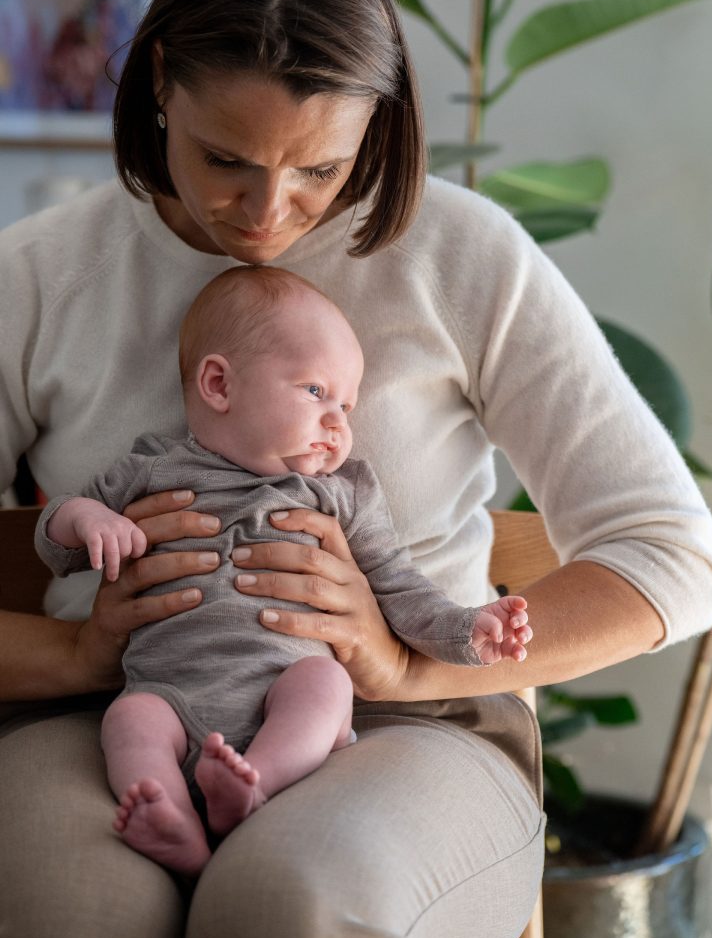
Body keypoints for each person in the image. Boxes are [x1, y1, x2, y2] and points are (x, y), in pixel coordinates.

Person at [0, 0, 712, 938]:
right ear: (158, 80)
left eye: (320, 171)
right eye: (225, 161)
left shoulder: (464, 256)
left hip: (411, 729)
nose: (265, 215)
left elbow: (673, 555)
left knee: (288, 906)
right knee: (76, 914)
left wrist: (405, 664)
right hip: (107, 715)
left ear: (376, 122)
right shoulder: (41, 274)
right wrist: (73, 663)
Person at [35, 265, 532, 876]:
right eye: (316, 392)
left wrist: (467, 628)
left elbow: (399, 586)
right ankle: (173, 820)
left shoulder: (342, 492)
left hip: (285, 686)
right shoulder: (150, 468)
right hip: (167, 693)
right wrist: (86, 521)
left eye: (347, 405)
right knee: (128, 720)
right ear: (219, 384)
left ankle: (253, 786)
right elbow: (55, 544)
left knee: (324, 686)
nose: (339, 424)